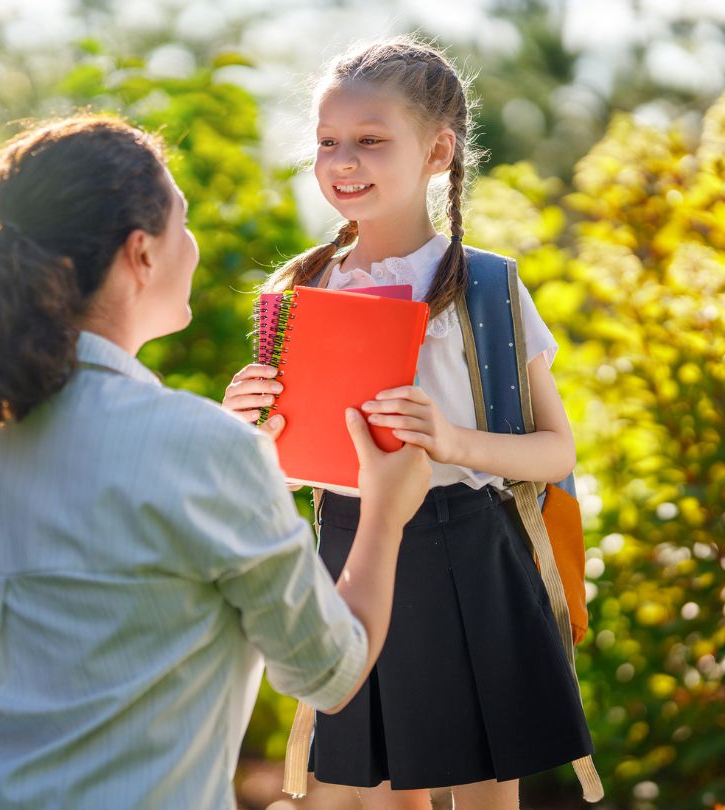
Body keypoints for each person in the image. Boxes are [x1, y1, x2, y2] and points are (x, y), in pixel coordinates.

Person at [0, 114, 433, 808]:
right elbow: (331, 672)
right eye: (181, 224)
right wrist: (386, 512)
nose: (192, 245)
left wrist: (227, 458)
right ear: (142, 254)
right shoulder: (202, 449)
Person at [221, 36, 594, 808]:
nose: (343, 161)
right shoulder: (304, 289)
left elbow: (556, 449)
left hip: (470, 543)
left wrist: (451, 441)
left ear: (438, 151)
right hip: (352, 546)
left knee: (488, 785)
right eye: (328, 142)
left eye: (370, 140)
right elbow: (287, 463)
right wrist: (250, 423)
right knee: (387, 788)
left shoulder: (485, 286)